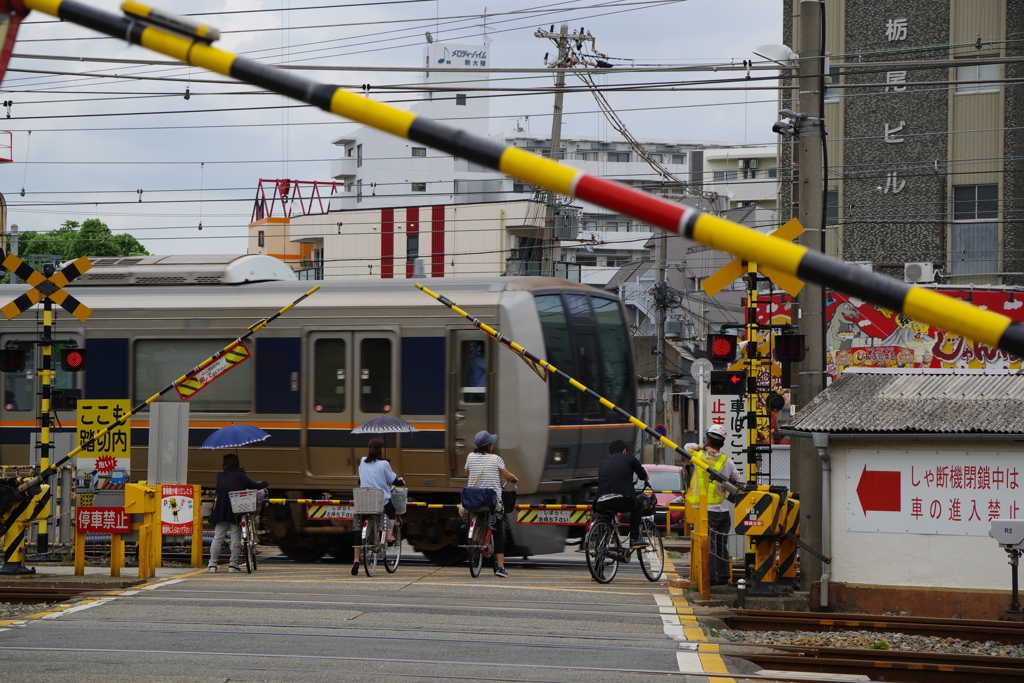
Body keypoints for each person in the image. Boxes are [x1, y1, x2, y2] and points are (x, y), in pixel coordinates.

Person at [682, 424, 743, 586]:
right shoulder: (727, 461)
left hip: (706, 512)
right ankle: (723, 576)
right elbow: (738, 480)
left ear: (707, 441)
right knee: (722, 545)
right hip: (723, 511)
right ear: (722, 444)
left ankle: (711, 579)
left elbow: (686, 447)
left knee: (710, 545)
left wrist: (704, 448)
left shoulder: (700, 458)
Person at [464, 430, 518, 577]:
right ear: (489, 446)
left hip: (473, 499)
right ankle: (500, 568)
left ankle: (476, 537)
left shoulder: (470, 456)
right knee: (498, 532)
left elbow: (468, 474)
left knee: (475, 513)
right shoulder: (496, 459)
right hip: (492, 501)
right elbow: (507, 475)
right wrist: (513, 478)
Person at [351, 437, 404, 576]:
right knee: (391, 511)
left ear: (368, 449)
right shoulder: (384, 464)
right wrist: (400, 482)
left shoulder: (362, 461)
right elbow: (392, 480)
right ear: (381, 450)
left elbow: (361, 478)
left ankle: (356, 560)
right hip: (380, 501)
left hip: (363, 501)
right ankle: (390, 535)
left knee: (358, 532)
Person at [209, 453, 268, 573]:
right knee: (236, 537)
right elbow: (254, 486)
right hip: (236, 511)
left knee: (218, 538)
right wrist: (264, 483)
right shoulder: (240, 476)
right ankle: (233, 565)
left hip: (220, 511)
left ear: (224, 465)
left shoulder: (219, 476)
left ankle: (212, 565)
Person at [594, 440, 650, 549]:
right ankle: (634, 538)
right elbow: (643, 476)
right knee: (638, 504)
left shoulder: (604, 461)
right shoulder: (629, 458)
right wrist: (647, 473)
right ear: (624, 450)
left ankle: (601, 545)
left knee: (606, 515)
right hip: (622, 499)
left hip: (600, 501)